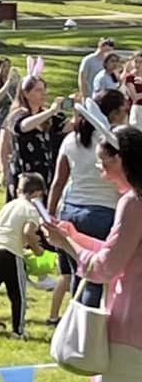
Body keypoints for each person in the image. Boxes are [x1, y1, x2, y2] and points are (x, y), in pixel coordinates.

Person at [73, 125, 142, 382]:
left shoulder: (133, 203)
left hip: (131, 324)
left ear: (122, 160)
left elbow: (107, 267)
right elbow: (120, 252)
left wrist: (70, 249)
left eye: (104, 162)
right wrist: (77, 238)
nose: (101, 171)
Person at [46, 89, 126, 322]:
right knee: (94, 277)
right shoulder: (113, 143)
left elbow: (58, 182)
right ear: (112, 113)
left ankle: (75, 321)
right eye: (122, 109)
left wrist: (50, 215)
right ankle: (84, 328)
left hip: (70, 210)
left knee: (77, 273)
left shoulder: (71, 140)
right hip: (102, 213)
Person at [0, 174, 42, 337]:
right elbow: (28, 232)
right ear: (37, 194)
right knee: (18, 295)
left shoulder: (9, 205)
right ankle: (18, 331)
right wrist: (37, 248)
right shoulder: (31, 209)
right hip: (11, 253)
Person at [7, 75, 64, 199]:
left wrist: (78, 110)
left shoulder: (46, 116)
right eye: (38, 90)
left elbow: (67, 128)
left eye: (44, 90)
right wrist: (51, 111)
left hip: (45, 174)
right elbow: (23, 126)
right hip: (25, 175)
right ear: (26, 93)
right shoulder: (18, 113)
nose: (43, 94)